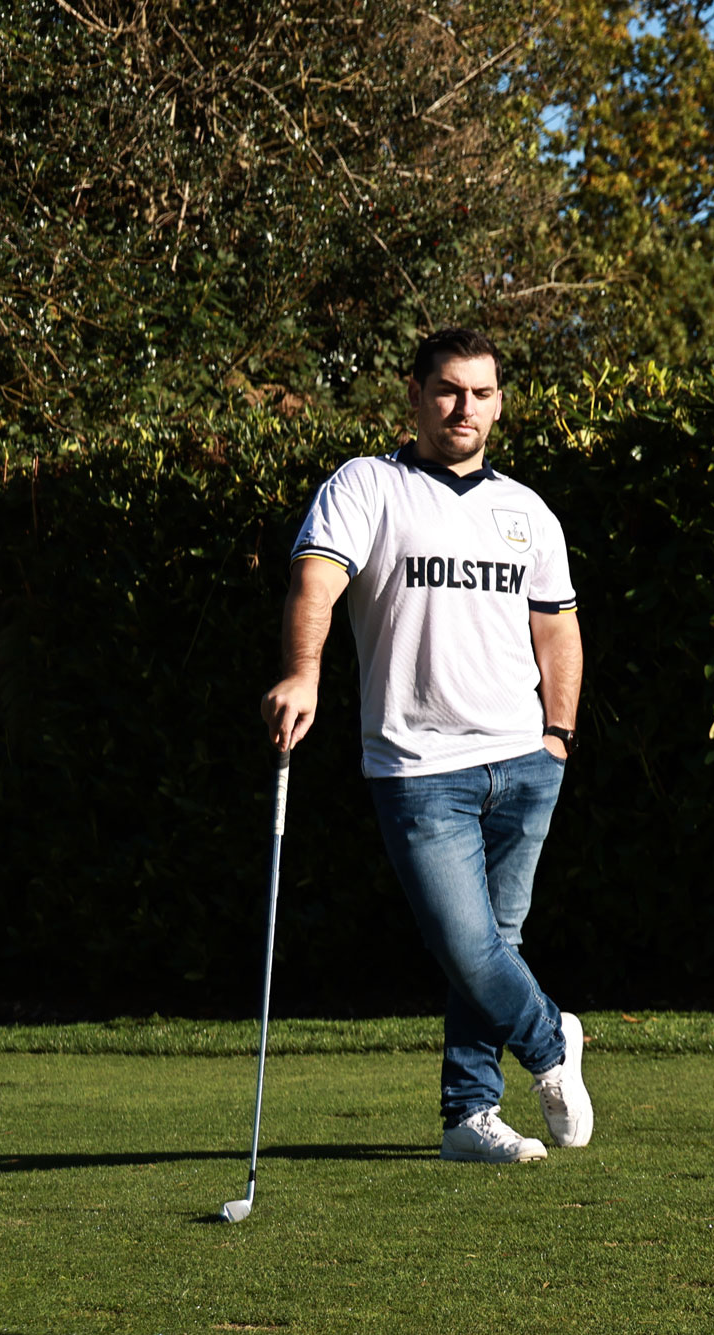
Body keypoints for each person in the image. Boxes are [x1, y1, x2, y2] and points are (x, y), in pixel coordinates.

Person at [257, 328, 596, 1164]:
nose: (464, 408)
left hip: (523, 760)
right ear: (413, 395)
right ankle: (553, 1040)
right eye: (447, 390)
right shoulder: (367, 486)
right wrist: (303, 673)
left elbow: (557, 628)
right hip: (418, 767)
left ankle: (469, 1116)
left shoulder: (528, 510)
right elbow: (317, 583)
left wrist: (558, 734)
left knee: (495, 944)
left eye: (481, 393)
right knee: (464, 941)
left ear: (500, 403)